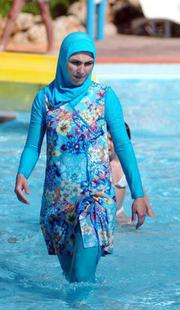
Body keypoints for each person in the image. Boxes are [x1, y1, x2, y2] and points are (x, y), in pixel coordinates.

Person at [14, 32, 148, 283]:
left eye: (88, 64)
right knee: (71, 279)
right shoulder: (45, 100)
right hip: (58, 201)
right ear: (63, 60)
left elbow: (123, 145)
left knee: (82, 277)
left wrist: (138, 193)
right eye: (75, 63)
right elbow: (33, 145)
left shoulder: (104, 96)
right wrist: (23, 173)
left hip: (95, 199)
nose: (82, 70)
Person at [108, 122, 155, 224]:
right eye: (105, 139)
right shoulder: (102, 165)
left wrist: (149, 209)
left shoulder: (126, 166)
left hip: (119, 214)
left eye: (112, 139)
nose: (108, 143)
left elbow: (139, 189)